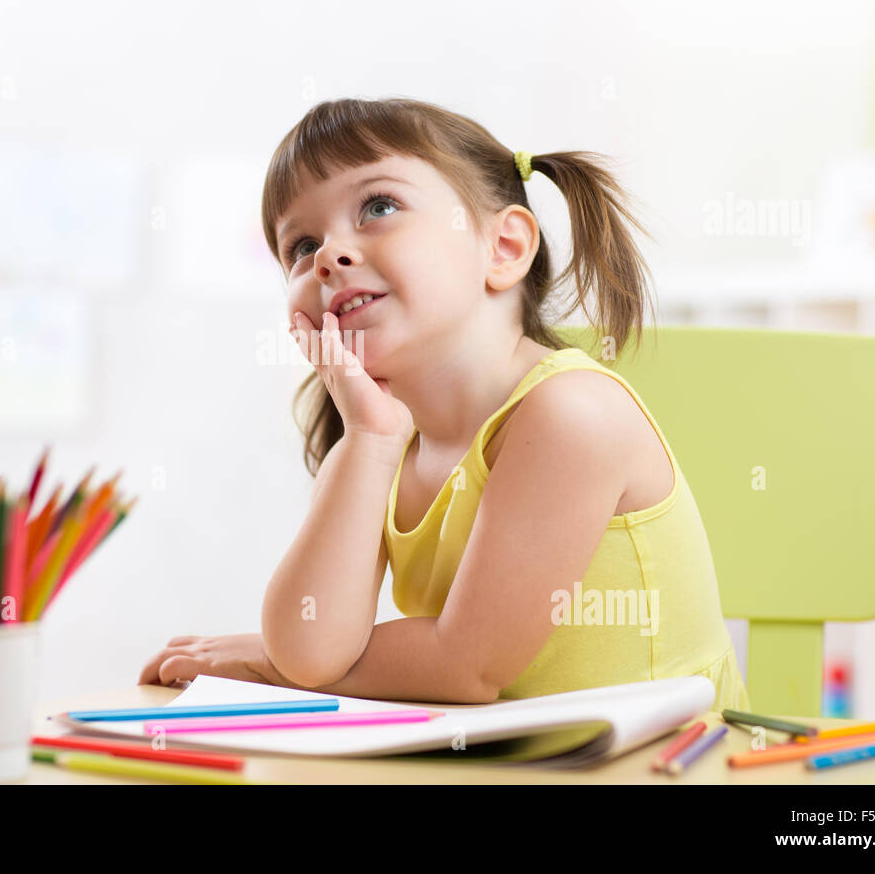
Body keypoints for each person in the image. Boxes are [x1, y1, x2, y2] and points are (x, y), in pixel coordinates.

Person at [139, 96, 749, 712]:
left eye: (378, 207)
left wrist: (267, 666)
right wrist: (369, 440)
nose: (327, 256)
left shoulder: (570, 414)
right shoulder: (380, 439)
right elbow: (310, 647)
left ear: (503, 248)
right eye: (299, 246)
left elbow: (464, 667)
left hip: (671, 764)